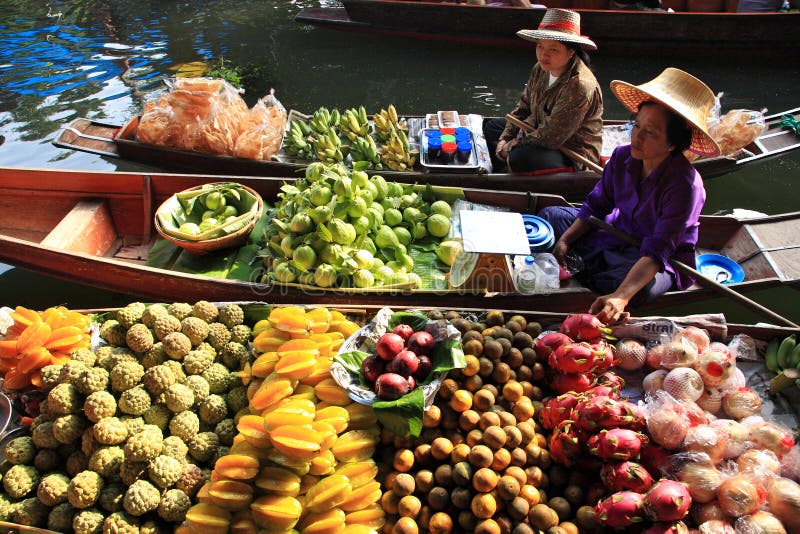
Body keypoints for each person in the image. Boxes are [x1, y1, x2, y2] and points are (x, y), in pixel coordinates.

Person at [538, 68, 722, 324]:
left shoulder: (686, 187)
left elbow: (658, 250)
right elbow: (597, 204)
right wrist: (566, 240)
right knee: (551, 216)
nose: (638, 136)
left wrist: (621, 296)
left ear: (672, 144)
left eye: (651, 132)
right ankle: (580, 263)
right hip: (615, 232)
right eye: (637, 125)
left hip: (659, 259)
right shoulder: (623, 156)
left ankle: (592, 276)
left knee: (633, 288)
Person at [484, 8, 603, 174]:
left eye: (553, 49)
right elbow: (523, 107)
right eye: (540, 47)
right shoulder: (540, 68)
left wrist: (510, 145)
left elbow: (551, 137)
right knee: (491, 127)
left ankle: (510, 169)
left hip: (571, 150)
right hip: (539, 129)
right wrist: (506, 137)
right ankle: (505, 167)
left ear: (571, 52)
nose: (543, 55)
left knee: (520, 157)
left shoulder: (580, 86)